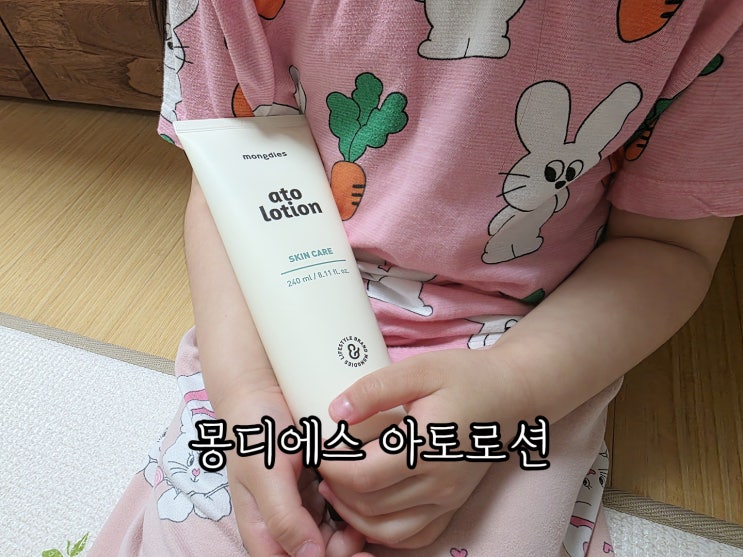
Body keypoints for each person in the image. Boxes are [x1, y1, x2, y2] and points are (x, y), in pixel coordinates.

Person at [91, 1, 743, 556]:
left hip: (535, 342)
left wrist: (511, 386)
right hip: (275, 300)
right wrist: (246, 393)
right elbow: (226, 172)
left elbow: (667, 246)